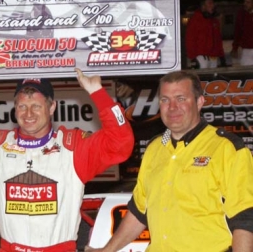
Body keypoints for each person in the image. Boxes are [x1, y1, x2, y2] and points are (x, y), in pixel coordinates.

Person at [0, 68, 134, 252]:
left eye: (36, 106)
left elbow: (122, 143)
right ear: (14, 109)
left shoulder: (73, 147)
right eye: (22, 106)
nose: (28, 113)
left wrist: (97, 92)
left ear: (52, 107)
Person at [85, 70, 253, 252]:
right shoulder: (154, 149)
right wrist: (107, 250)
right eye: (165, 100)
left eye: (181, 99)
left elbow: (244, 217)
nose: (172, 107)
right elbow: (139, 212)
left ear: (199, 102)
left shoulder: (226, 148)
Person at [185, 0, 225, 69]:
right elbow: (190, 39)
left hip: (213, 56)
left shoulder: (214, 20)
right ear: (203, 6)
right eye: (209, 3)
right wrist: (192, 57)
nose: (212, 5)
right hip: (201, 56)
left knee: (213, 78)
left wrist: (221, 55)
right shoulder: (195, 20)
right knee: (202, 78)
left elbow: (218, 39)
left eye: (213, 3)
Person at [231, 0, 253, 66]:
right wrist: (235, 48)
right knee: (246, 74)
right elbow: (237, 32)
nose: (245, 4)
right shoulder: (241, 15)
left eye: (248, 2)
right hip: (246, 50)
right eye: (244, 2)